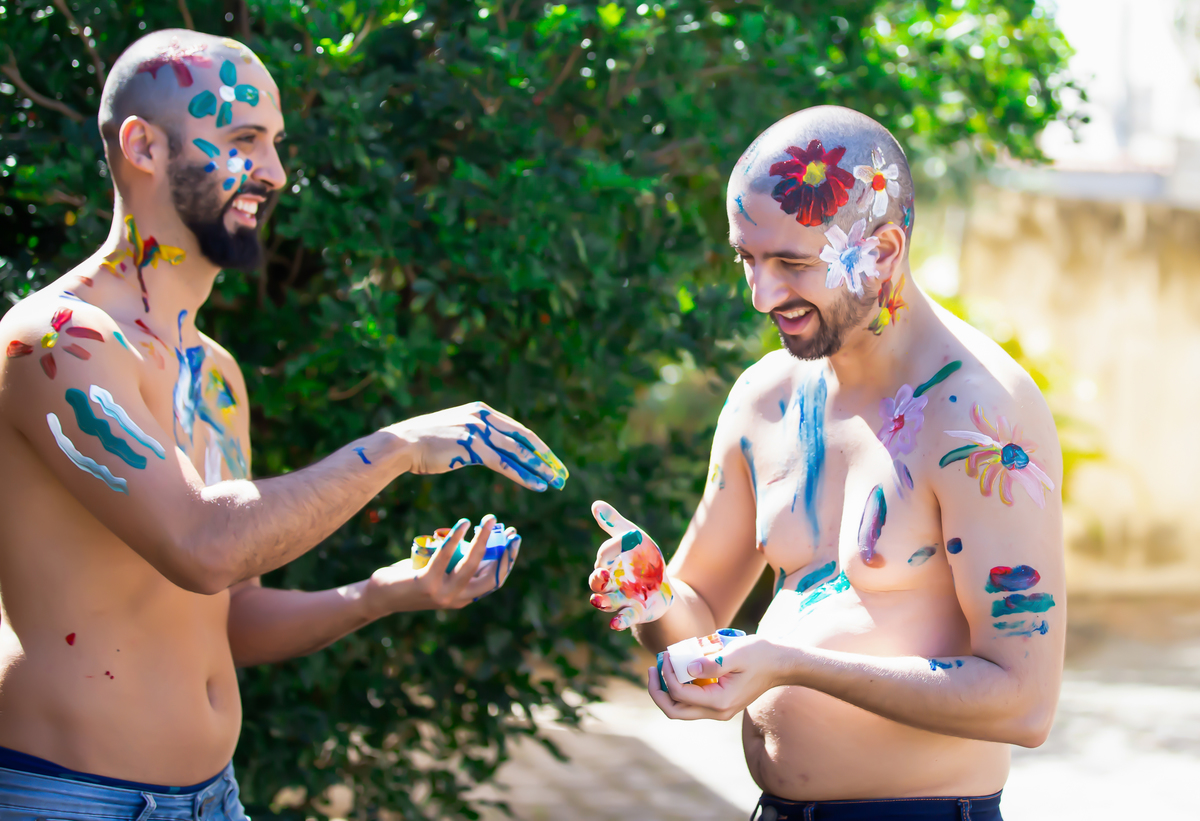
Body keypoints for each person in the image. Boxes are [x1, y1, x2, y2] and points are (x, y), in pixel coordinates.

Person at [0, 29, 568, 819]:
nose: (275, 172)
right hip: (71, 800)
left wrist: (385, 592)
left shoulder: (215, 374)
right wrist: (397, 447)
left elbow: (229, 612)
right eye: (243, 139)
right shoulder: (59, 342)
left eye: (274, 142)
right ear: (144, 146)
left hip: (216, 797)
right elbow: (201, 544)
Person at [587, 106, 1064, 821]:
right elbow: (697, 616)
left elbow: (1024, 704)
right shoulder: (764, 399)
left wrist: (791, 664)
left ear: (885, 249)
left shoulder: (979, 417)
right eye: (747, 259)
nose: (761, 294)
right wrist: (650, 596)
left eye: (792, 263)